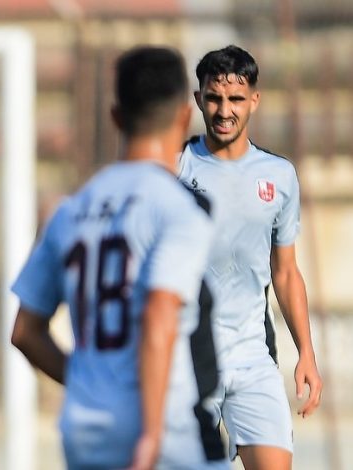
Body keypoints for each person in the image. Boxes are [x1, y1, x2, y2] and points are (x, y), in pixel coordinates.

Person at [11, 46, 228, 469]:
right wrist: (150, 433)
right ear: (185, 116)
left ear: (116, 117)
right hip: (166, 434)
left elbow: (24, 332)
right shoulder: (176, 206)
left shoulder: (71, 210)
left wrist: (91, 387)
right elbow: (159, 313)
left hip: (85, 432)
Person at [179, 45, 323, 469]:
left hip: (252, 355)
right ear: (199, 98)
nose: (224, 111)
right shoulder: (175, 167)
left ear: (254, 100)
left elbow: (286, 272)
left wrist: (307, 352)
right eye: (214, 98)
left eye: (236, 99)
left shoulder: (278, 176)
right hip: (187, 359)